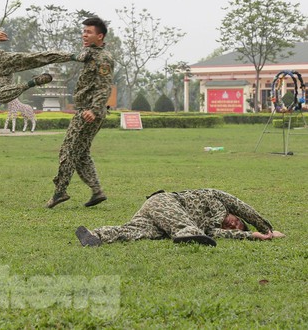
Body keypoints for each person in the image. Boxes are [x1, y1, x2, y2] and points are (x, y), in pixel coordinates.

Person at [46, 16, 114, 209]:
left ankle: (59, 191)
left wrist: (93, 109)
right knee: (81, 152)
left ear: (100, 36)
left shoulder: (103, 58)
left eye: (89, 32)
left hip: (88, 112)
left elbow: (104, 87)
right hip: (89, 110)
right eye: (83, 31)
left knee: (68, 150)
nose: (84, 35)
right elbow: (80, 56)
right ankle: (97, 191)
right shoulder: (91, 53)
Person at [74, 188, 286, 247]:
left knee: (137, 231)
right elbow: (246, 208)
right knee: (186, 226)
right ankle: (187, 234)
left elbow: (224, 235)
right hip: (165, 202)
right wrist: (267, 229)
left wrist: (253, 236)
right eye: (238, 222)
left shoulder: (212, 230)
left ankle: (96, 236)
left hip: (160, 219)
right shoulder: (218, 197)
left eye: (236, 228)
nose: (234, 225)